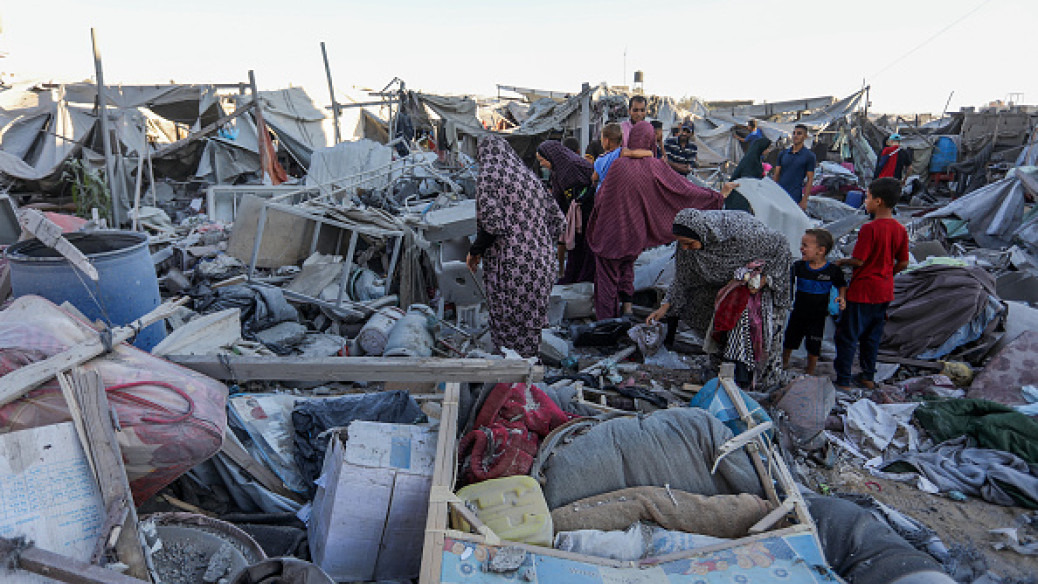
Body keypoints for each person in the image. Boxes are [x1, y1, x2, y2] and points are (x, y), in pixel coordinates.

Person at [587, 121, 732, 320]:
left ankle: (607, 322)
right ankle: (627, 311)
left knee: (607, 279)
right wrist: (716, 196)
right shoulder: (656, 167)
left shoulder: (618, 165)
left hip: (610, 231)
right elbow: (684, 190)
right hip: (635, 234)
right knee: (627, 268)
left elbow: (602, 197)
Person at [647, 209, 793, 388]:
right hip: (721, 290)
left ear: (702, 234)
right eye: (682, 243)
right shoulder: (688, 249)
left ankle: (759, 383)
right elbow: (682, 279)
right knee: (718, 330)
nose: (685, 248)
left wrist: (765, 279)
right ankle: (723, 375)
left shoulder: (744, 236)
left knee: (754, 334)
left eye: (689, 243)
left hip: (754, 291)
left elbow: (780, 244)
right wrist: (665, 306)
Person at [466, 136, 564, 358]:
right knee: (530, 332)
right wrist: (535, 241)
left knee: (509, 336)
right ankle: (530, 374)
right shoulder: (527, 176)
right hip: (542, 265)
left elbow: (492, 225)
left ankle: (512, 376)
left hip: (513, 269)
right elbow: (558, 220)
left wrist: (474, 251)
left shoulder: (489, 175)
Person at [832, 178, 909, 390]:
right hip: (884, 290)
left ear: (878, 201)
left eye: (867, 197)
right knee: (872, 337)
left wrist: (841, 261)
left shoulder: (869, 229)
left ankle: (844, 379)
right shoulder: (900, 229)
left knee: (848, 335)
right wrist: (887, 274)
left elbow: (859, 260)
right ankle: (867, 376)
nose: (865, 201)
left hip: (863, 289)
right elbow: (903, 262)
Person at [782, 228, 848, 375]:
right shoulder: (798, 267)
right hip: (798, 312)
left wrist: (842, 297)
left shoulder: (832, 271)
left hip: (818, 316)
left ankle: (810, 371)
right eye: (801, 244)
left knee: (814, 344)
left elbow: (841, 284)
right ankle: (784, 363)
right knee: (790, 339)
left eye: (805, 245)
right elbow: (787, 282)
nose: (801, 248)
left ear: (821, 250)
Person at [537, 140, 596, 284]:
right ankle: (574, 277)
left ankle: (584, 277)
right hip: (576, 213)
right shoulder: (557, 171)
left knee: (585, 247)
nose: (542, 164)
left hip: (588, 212)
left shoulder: (572, 166)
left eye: (542, 160)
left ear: (551, 156)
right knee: (575, 247)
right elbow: (559, 198)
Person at [773, 124, 816, 211]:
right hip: (780, 194)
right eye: (794, 133)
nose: (795, 136)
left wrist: (804, 200)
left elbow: (810, 179)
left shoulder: (809, 156)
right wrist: (773, 192)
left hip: (795, 196)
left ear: (805, 136)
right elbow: (776, 174)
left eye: (799, 133)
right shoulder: (783, 154)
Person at [592, 123, 623, 190]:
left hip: (603, 192)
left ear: (606, 140)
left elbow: (594, 179)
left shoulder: (600, 160)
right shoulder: (621, 153)